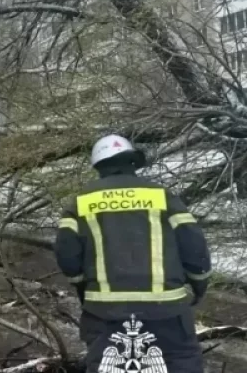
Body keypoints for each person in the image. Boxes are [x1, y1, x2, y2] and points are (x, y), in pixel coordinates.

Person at [54, 134, 211, 373]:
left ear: (98, 166)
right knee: (180, 362)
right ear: (133, 162)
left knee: (107, 365)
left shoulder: (80, 202)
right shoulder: (162, 196)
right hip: (167, 310)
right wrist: (199, 284)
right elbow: (193, 244)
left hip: (104, 313)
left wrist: (82, 289)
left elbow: (67, 255)